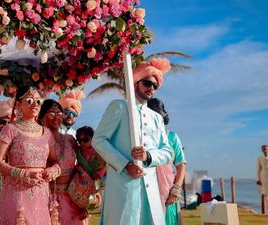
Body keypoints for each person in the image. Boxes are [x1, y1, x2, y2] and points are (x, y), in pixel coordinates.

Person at [92, 57, 174, 225]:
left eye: (155, 85)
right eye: (147, 83)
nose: (151, 88)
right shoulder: (120, 107)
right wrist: (125, 164)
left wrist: (149, 156)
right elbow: (99, 140)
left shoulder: (157, 118)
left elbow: (168, 152)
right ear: (136, 82)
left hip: (150, 191)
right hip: (123, 188)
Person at [0, 86, 61, 225]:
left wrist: (54, 170)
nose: (35, 104)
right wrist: (23, 173)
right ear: (18, 105)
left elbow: (54, 161)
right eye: (29, 100)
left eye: (38, 101)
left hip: (41, 193)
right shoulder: (10, 129)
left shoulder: (46, 133)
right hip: (17, 194)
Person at [38, 99, 88, 225]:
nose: (57, 117)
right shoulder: (37, 141)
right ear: (41, 118)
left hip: (72, 198)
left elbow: (83, 164)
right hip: (46, 199)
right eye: (51, 114)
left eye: (59, 113)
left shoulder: (70, 139)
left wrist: (89, 188)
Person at [148, 98, 187, 225]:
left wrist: (176, 189)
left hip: (169, 192)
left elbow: (181, 165)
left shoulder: (172, 137)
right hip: (149, 190)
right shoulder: (143, 138)